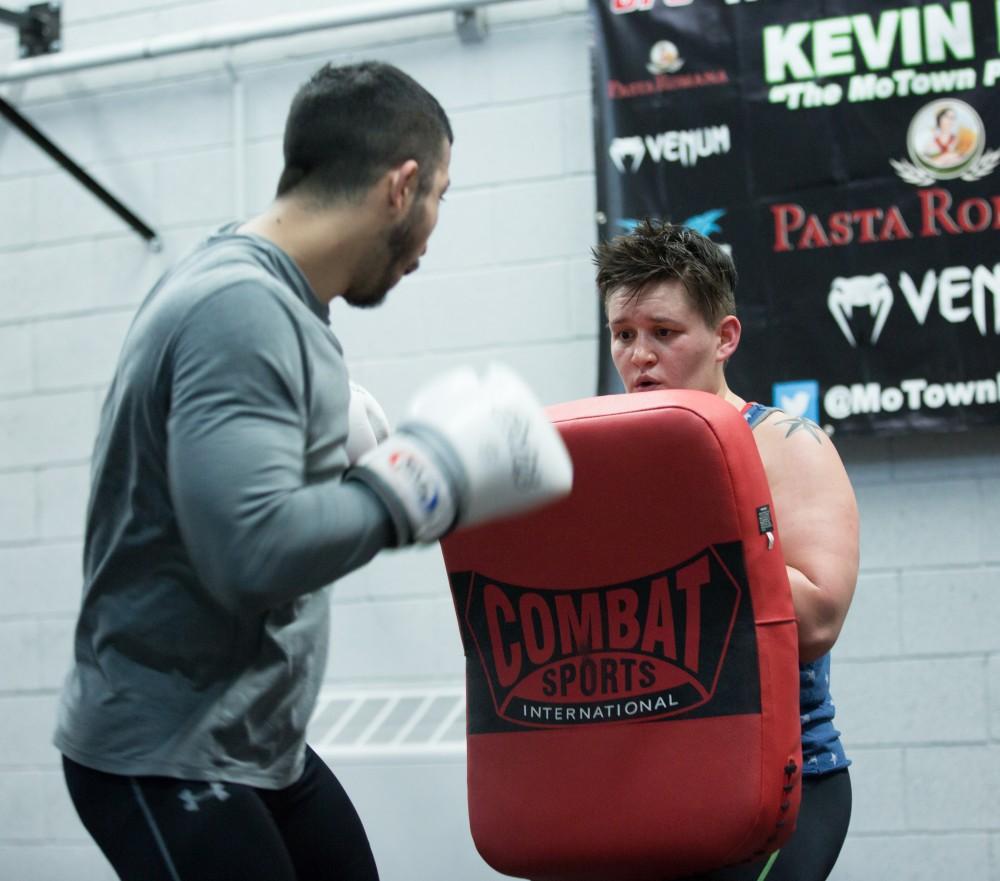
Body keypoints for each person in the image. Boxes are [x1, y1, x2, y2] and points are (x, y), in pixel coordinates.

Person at [53, 60, 572, 881]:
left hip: (258, 742)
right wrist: (420, 479)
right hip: (166, 751)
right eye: (442, 194)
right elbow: (249, 553)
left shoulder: (275, 298)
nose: (433, 234)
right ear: (401, 187)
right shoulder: (241, 309)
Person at [593, 219, 858, 881]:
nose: (639, 356)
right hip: (649, 779)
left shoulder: (787, 444)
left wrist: (704, 512)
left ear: (724, 337)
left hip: (775, 784)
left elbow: (818, 622)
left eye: (664, 332)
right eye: (624, 335)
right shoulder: (605, 456)